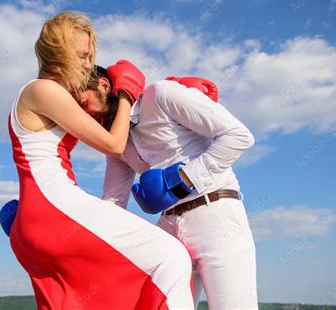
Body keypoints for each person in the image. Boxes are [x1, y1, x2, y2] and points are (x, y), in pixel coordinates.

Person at [4, 11, 194, 310]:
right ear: (58, 52)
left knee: (99, 290)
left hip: (40, 215)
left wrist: (165, 109)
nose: (87, 65)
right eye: (81, 56)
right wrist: (127, 94)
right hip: (54, 207)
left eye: (90, 57)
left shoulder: (54, 96)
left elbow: (105, 125)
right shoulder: (43, 89)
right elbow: (114, 144)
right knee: (172, 256)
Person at [75, 68, 258, 310]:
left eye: (83, 105)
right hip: (168, 229)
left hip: (216, 215)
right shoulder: (115, 142)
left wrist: (183, 179)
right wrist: (68, 234)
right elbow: (113, 202)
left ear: (103, 86)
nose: (83, 118)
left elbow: (238, 135)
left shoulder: (161, 95)